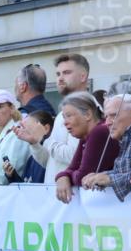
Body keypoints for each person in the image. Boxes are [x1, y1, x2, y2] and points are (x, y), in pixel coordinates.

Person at [15, 53, 90, 182]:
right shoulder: (61, 114)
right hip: (54, 194)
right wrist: (35, 143)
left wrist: (47, 141)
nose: (60, 78)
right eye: (58, 74)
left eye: (66, 73)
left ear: (83, 76)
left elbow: (74, 156)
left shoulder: (87, 110)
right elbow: (49, 162)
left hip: (72, 195)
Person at [54, 93, 120, 203]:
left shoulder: (100, 131)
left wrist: (66, 176)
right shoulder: (86, 135)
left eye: (69, 116)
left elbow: (83, 178)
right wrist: (62, 176)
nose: (64, 123)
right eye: (64, 117)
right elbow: (72, 168)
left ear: (88, 115)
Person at [82, 94, 131, 201]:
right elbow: (126, 172)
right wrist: (100, 176)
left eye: (113, 115)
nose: (107, 122)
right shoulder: (127, 137)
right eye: (106, 116)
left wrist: (109, 179)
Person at [4, 110, 53, 183]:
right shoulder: (31, 158)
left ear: (46, 129)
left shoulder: (53, 155)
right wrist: (11, 175)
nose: (24, 133)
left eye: (29, 128)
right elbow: (25, 188)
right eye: (23, 128)